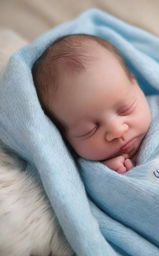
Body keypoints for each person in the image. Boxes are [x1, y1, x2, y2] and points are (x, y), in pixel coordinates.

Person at [32, 34, 151, 174]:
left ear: (136, 84)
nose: (117, 131)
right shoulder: (86, 172)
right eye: (89, 130)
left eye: (125, 109)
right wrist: (107, 177)